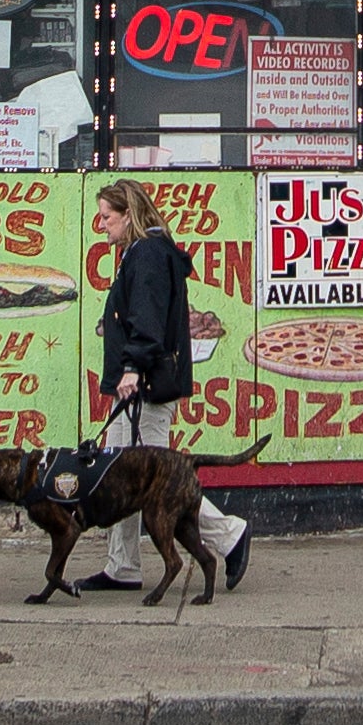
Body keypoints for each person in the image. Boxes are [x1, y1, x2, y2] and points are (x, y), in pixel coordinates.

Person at [75, 179, 251, 595]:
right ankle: (122, 567)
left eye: (107, 217)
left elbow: (148, 320)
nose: (102, 227)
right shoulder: (141, 252)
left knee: (159, 480)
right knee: (119, 474)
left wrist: (133, 368)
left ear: (129, 214)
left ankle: (229, 534)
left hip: (146, 387)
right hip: (134, 384)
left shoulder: (149, 254)